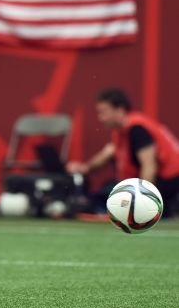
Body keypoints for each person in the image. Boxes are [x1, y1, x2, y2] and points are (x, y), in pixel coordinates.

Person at [68, 88, 179, 217]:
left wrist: (142, 201)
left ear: (120, 110)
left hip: (170, 182)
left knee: (109, 199)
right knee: (103, 195)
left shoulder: (137, 129)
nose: (101, 118)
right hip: (161, 180)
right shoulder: (121, 131)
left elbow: (149, 167)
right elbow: (107, 153)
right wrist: (83, 168)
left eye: (104, 112)